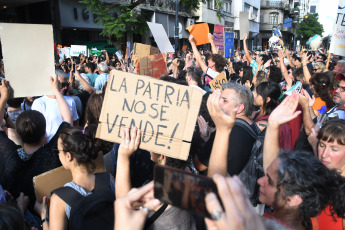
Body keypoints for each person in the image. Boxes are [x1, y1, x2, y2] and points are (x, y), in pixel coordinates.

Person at [0, 76, 73, 211]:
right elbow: (68, 119)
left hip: (17, 220)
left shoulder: (10, 158)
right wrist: (56, 92)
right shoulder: (52, 154)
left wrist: (4, 97)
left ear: (19, 134)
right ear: (44, 132)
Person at [49, 125, 115, 230]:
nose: (58, 155)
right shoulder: (108, 179)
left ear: (68, 156)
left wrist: (44, 218)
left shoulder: (59, 199)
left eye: (59, 151)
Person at [198, 82, 256, 178]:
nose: (219, 103)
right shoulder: (252, 125)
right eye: (220, 98)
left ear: (240, 108)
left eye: (225, 101)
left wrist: (202, 138)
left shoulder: (226, 129)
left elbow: (199, 165)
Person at [32, 70, 79, 142]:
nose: (65, 87)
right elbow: (37, 130)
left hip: (67, 145)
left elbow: (75, 123)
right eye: (62, 85)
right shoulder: (39, 103)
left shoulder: (70, 101)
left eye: (67, 84)